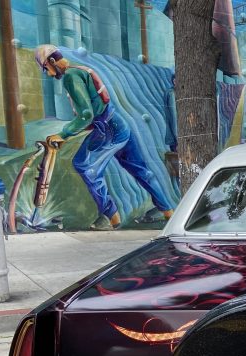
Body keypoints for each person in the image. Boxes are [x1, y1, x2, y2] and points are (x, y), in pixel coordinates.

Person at [33, 44, 174, 230]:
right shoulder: (79, 70)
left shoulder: (71, 76)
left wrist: (63, 134)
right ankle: (168, 211)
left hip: (107, 129)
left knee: (84, 166)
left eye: (46, 69)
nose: (49, 74)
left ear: (52, 61)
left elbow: (86, 114)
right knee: (141, 170)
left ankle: (110, 217)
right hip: (119, 124)